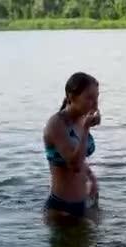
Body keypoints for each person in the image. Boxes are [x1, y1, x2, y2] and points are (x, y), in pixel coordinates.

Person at [43, 72, 101, 218]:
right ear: (71, 97)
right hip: (62, 209)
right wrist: (86, 128)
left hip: (85, 203)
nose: (95, 104)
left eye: (97, 97)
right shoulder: (56, 124)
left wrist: (92, 178)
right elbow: (74, 164)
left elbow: (81, 158)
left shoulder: (81, 118)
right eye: (89, 98)